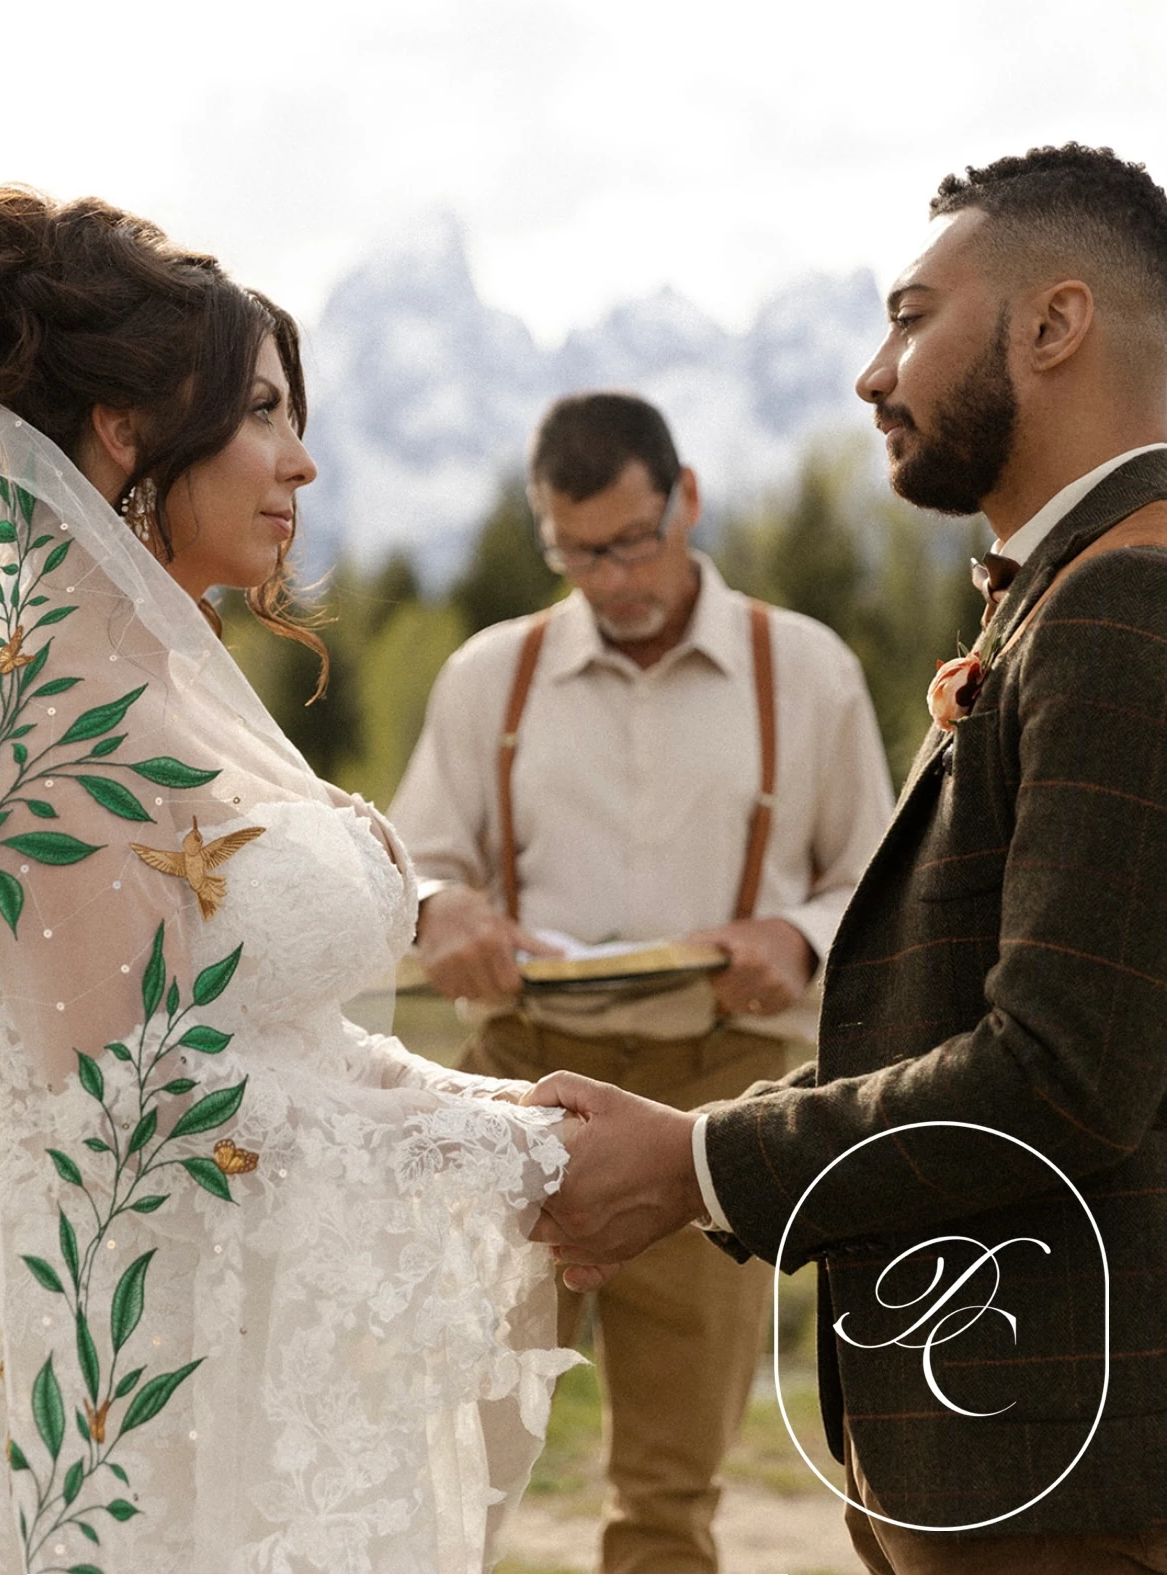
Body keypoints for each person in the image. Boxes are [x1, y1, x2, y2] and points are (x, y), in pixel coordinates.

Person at [521, 144, 1167, 1574]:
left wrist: (694, 1161)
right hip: (1011, 1447)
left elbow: (1058, 1073)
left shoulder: (1126, 605)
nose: (873, 373)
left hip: (1069, 1475)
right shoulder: (1074, 594)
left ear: (1054, 326)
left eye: (909, 314)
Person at [0, 187, 583, 1575]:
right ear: (128, 434)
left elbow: (275, 1033)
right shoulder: (55, 713)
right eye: (259, 413)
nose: (300, 462)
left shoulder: (182, 688)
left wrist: (484, 1099)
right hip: (133, 1375)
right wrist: (503, 1154)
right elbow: (123, 1096)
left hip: (243, 1346)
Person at [388, 391, 893, 1573]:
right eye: (574, 553)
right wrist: (436, 908)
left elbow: (874, 879)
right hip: (514, 1083)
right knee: (448, 1460)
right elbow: (408, 860)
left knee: (672, 1492)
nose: (609, 580)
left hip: (707, 1094)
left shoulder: (804, 669)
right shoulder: (488, 675)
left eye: (630, 542)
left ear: (688, 501)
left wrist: (801, 937)